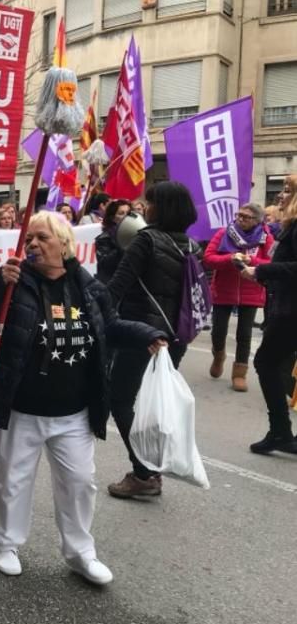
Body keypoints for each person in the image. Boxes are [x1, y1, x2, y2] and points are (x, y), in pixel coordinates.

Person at [0, 211, 166, 583]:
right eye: (30, 240)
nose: (34, 245)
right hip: (20, 408)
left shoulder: (89, 287)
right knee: (10, 481)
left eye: (43, 238)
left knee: (79, 484)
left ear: (64, 245)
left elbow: (111, 326)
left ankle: (80, 553)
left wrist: (144, 333)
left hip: (74, 412)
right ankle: (6, 542)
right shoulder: (13, 281)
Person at [105, 182, 200, 499]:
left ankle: (144, 472)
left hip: (141, 335)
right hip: (176, 336)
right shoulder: (192, 246)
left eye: (150, 203)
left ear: (164, 207)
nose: (145, 207)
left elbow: (116, 288)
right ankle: (149, 468)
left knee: (120, 398)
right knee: (153, 403)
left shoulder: (146, 240)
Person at [241, 190, 297, 454]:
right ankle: (281, 432)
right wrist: (261, 274)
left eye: (288, 191)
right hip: (285, 307)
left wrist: (262, 270)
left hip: (290, 311)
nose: (281, 195)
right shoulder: (290, 226)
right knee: (270, 363)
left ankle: (280, 433)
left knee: (266, 362)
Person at [203, 202, 273, 392]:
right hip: (223, 290)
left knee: (244, 334)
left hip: (251, 290)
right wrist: (229, 258)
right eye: (239, 215)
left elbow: (271, 262)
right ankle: (219, 355)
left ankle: (239, 374)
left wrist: (253, 261)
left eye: (246, 217)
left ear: (257, 220)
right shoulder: (223, 233)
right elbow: (208, 258)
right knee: (218, 330)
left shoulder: (265, 238)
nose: (240, 219)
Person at [94, 199, 132, 284]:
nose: (126, 217)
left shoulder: (136, 236)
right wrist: (122, 246)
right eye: (121, 213)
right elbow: (105, 263)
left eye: (128, 213)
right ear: (112, 218)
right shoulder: (104, 239)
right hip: (112, 285)